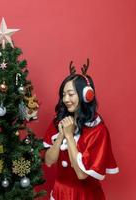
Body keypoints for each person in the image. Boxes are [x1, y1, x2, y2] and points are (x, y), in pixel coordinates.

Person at [43, 60, 119, 200]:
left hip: (85, 195)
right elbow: (48, 161)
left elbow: (81, 174)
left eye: (71, 94)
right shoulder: (59, 121)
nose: (65, 99)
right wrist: (61, 136)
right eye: (63, 94)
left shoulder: (98, 130)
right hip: (60, 192)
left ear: (86, 95)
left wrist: (69, 136)